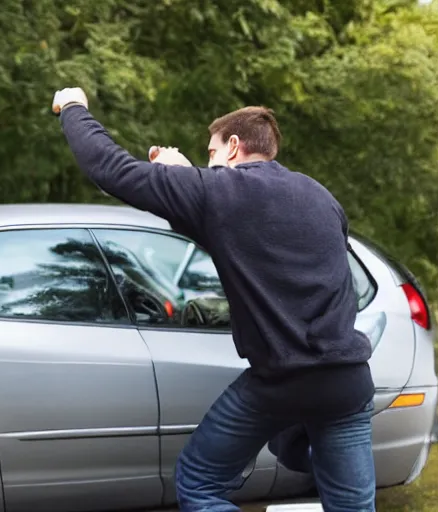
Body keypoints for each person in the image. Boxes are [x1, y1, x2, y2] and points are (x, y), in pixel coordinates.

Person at [51, 87, 376, 512]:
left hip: (283, 383)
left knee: (199, 482)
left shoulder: (217, 192)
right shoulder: (321, 197)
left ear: (234, 147)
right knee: (346, 498)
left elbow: (109, 167)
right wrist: (184, 177)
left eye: (210, 153)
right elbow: (240, 235)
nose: (208, 163)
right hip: (348, 383)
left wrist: (74, 106)